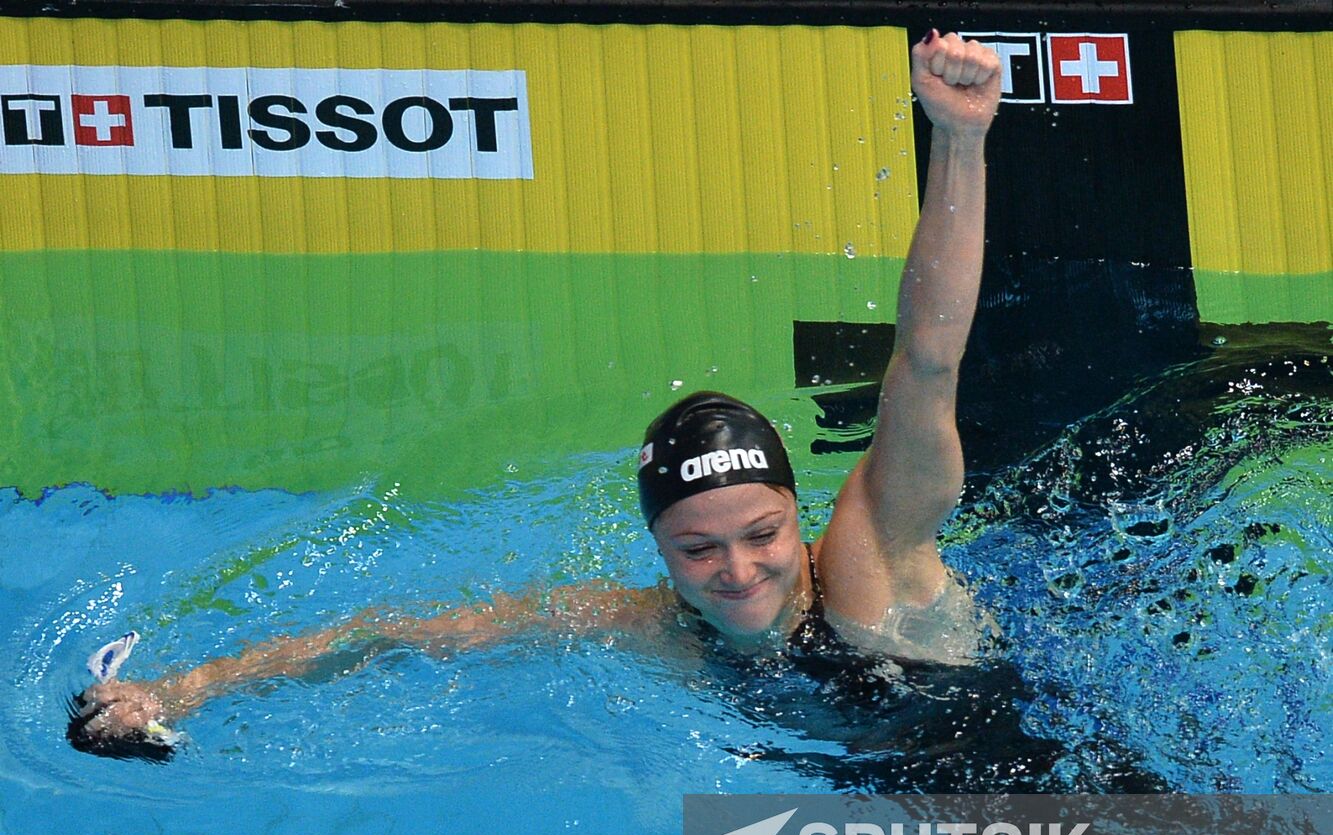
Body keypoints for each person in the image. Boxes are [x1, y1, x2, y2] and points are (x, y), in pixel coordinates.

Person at [67, 30, 1003, 761]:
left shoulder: (870, 560)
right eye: (697, 546)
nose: (739, 570)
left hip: (1027, 770)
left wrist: (959, 139)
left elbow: (925, 362)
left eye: (760, 534)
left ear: (796, 514)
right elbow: (396, 636)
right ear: (659, 548)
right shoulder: (651, 628)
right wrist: (183, 690)